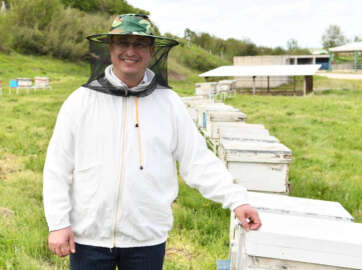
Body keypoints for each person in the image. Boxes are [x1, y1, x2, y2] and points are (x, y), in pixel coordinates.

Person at [43, 14, 261, 270]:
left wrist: (237, 200)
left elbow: (197, 160)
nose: (130, 51)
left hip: (145, 239)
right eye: (122, 43)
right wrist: (58, 223)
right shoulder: (80, 102)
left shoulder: (169, 104)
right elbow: (57, 167)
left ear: (151, 50)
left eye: (139, 44)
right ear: (110, 48)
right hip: (89, 238)